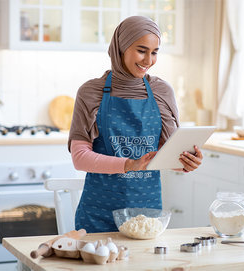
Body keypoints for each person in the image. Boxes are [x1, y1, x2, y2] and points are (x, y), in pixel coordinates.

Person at [68, 16, 203, 233]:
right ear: (120, 48)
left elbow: (168, 154)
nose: (149, 60)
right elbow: (79, 158)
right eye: (142, 50)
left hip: (146, 215)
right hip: (97, 215)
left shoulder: (162, 92)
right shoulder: (90, 92)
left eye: (155, 52)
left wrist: (187, 162)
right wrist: (128, 164)